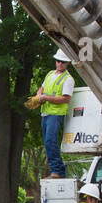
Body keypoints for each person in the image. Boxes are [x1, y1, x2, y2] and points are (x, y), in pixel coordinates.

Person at [35, 49, 74, 178]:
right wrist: (39, 95)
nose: (59, 64)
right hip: (45, 113)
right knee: (47, 142)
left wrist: (45, 98)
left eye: (62, 62)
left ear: (67, 63)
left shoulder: (68, 79)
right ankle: (55, 169)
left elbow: (66, 99)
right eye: (58, 61)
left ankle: (58, 170)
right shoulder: (50, 74)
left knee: (50, 140)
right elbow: (42, 88)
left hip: (56, 114)